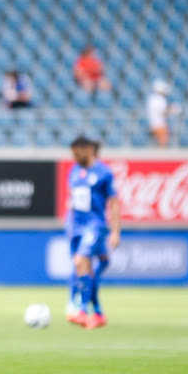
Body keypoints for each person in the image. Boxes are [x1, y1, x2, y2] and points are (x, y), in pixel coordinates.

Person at [65, 136, 121, 330]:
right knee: (86, 268)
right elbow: (73, 202)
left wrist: (115, 231)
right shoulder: (74, 172)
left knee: (81, 261)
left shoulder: (104, 172)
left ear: (88, 149)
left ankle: (81, 310)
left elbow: (114, 203)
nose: (74, 157)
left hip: (95, 226)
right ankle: (98, 312)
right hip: (77, 227)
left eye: (77, 153)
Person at [146, 79, 181, 148]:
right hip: (159, 124)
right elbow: (162, 112)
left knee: (156, 143)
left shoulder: (151, 98)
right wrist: (173, 110)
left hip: (152, 123)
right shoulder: (160, 99)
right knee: (162, 144)